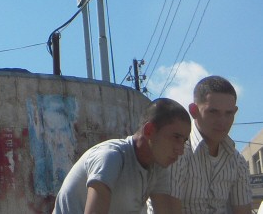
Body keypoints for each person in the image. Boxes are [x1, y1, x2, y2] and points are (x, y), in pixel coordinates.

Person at [52, 97, 191, 214]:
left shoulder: (157, 167)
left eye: (184, 141)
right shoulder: (110, 157)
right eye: (176, 137)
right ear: (149, 131)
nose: (180, 150)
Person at [169, 75, 253, 214]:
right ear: (194, 111)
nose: (222, 121)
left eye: (228, 113)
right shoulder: (175, 153)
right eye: (213, 112)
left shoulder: (237, 162)